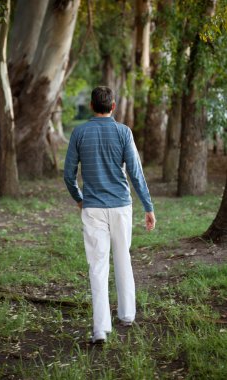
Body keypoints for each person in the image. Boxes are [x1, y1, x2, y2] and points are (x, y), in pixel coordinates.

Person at [64, 86, 156, 344]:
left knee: (97, 266)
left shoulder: (79, 132)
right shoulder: (123, 132)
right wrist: (148, 207)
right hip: (121, 208)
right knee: (123, 258)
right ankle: (127, 315)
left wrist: (79, 199)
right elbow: (135, 173)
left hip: (92, 208)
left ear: (92, 106)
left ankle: (100, 329)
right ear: (113, 106)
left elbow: (68, 175)